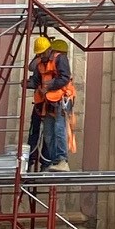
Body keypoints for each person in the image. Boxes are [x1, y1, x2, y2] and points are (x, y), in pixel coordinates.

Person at [26, 33, 75, 172]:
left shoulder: (60, 58)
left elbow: (65, 78)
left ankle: (62, 160)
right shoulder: (41, 63)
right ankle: (54, 161)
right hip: (47, 102)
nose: (41, 56)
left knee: (59, 129)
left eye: (42, 53)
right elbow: (36, 79)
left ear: (48, 50)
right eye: (39, 54)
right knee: (48, 132)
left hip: (61, 100)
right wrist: (29, 84)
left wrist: (49, 86)